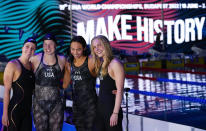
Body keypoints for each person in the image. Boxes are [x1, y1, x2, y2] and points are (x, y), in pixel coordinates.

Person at [30, 33, 66, 131]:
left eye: (50, 44)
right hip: (39, 105)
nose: (47, 47)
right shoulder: (35, 59)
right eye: (45, 44)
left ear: (56, 45)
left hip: (57, 105)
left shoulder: (62, 60)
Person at [1, 37, 37, 131]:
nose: (29, 49)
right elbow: (7, 91)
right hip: (14, 111)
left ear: (34, 51)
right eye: (27, 46)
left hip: (27, 113)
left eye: (32, 48)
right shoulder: (12, 64)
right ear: (22, 48)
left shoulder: (32, 67)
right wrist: (5, 114)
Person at [90, 35, 125, 131]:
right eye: (94, 47)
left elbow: (120, 90)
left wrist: (115, 113)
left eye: (99, 45)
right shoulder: (101, 63)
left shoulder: (115, 64)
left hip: (111, 109)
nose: (97, 49)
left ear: (106, 45)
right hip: (101, 108)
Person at [63, 36, 97, 131]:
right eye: (72, 49)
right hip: (77, 105)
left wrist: (114, 88)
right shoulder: (69, 63)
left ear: (84, 48)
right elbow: (65, 84)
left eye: (78, 49)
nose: (75, 52)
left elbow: (106, 74)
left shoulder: (91, 61)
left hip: (91, 105)